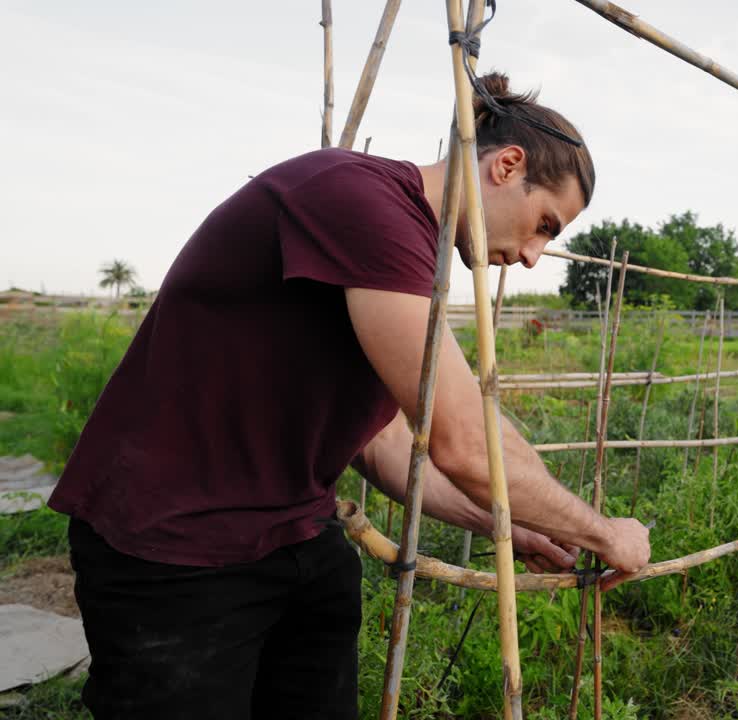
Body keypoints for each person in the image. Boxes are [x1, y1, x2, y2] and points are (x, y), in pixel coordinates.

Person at [48, 72, 650, 719]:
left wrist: (512, 523)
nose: (534, 255)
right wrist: (603, 533)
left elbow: (386, 440)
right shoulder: (363, 203)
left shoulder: (406, 244)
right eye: (545, 225)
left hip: (293, 532)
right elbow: (464, 440)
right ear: (507, 165)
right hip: (173, 547)